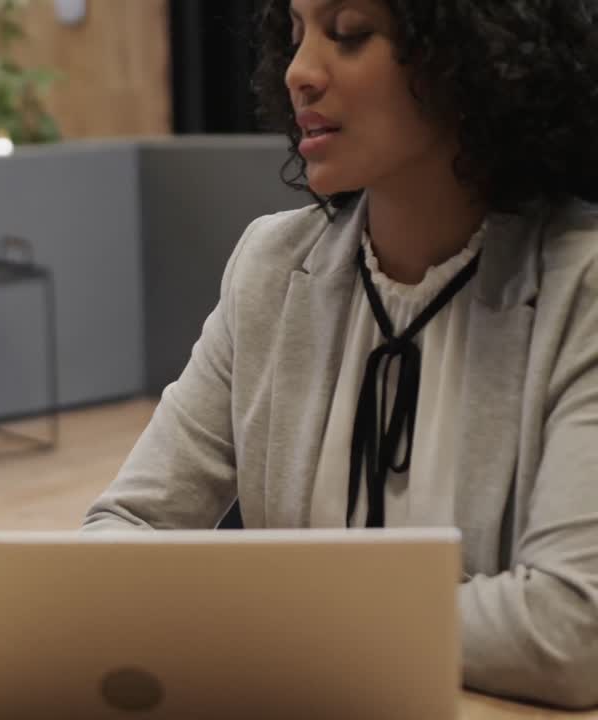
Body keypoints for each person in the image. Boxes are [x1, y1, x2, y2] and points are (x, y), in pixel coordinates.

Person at [84, 0, 598, 710]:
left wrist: (259, 613)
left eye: (349, 34)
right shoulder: (270, 266)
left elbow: (570, 631)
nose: (299, 72)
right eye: (294, 36)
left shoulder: (582, 287)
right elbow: (122, 531)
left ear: (475, 55)